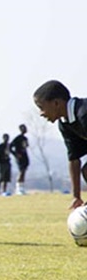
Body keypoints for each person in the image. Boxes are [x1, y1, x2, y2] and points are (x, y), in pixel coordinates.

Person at [33, 80, 87, 210]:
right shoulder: (65, 123)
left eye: (41, 107)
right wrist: (76, 197)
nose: (41, 113)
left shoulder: (84, 114)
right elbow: (74, 159)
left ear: (56, 103)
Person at [10, 123, 30, 194]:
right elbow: (10, 147)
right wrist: (16, 154)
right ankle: (18, 187)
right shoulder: (17, 138)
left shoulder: (25, 138)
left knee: (24, 171)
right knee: (21, 171)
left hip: (25, 157)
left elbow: (26, 147)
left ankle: (22, 187)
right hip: (20, 157)